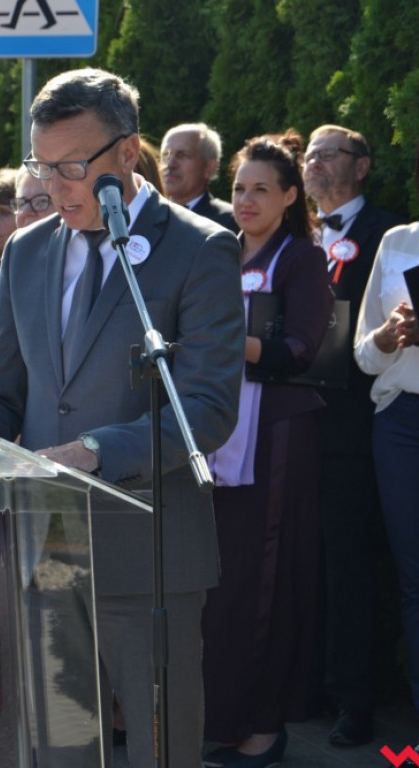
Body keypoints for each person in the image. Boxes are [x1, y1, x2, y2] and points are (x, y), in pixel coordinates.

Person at [0, 68, 243, 766]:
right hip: (49, 546)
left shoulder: (200, 247)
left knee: (161, 747)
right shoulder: (27, 251)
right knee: (61, 745)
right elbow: (0, 390)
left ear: (126, 153)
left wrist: (94, 449)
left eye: (72, 166)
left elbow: (206, 409)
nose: (55, 187)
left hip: (149, 549)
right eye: (41, 165)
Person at [202, 131, 332, 767]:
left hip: (276, 439)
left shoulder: (303, 259)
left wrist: (224, 343)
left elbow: (299, 351)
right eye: (238, 188)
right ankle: (223, 719)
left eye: (261, 189)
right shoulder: (217, 252)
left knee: (265, 583)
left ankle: (263, 727)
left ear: (289, 196)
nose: (246, 200)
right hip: (216, 434)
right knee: (221, 586)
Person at [304, 124, 404, 748]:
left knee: (350, 564)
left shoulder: (387, 235)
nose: (315, 164)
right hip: (290, 421)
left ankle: (355, 698)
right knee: (301, 561)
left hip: (353, 426)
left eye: (329, 154)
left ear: (361, 166)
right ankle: (306, 684)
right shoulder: (290, 235)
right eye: (309, 155)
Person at [353, 151, 419, 738]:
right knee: (413, 579)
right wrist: (387, 336)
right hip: (401, 420)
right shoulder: (398, 241)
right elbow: (363, 356)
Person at [161, 122, 237, 232]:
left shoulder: (226, 222)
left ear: (209, 168)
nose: (170, 164)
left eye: (182, 155)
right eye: (166, 155)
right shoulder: (148, 215)